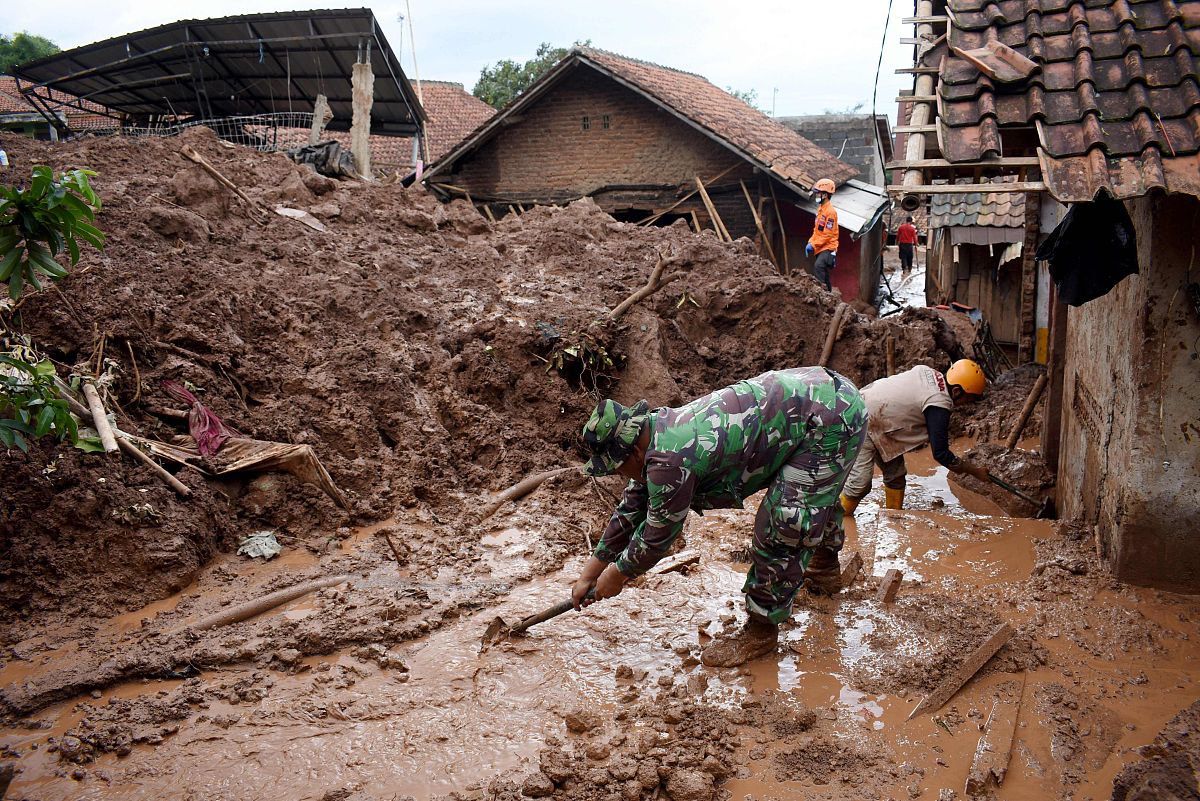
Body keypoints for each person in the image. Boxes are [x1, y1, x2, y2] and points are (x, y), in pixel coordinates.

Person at [572, 367, 867, 668]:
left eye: (617, 467)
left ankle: (763, 630)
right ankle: (824, 570)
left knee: (785, 522)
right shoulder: (655, 433)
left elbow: (657, 535)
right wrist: (590, 573)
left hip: (830, 418)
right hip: (813, 397)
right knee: (812, 494)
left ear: (633, 452)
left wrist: (617, 575)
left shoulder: (670, 461)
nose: (620, 475)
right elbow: (632, 507)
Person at [840, 360, 990, 513]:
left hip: (878, 417)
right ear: (957, 391)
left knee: (896, 477)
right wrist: (975, 471)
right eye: (969, 399)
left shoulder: (929, 373)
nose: (967, 404)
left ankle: (893, 518)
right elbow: (941, 454)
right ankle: (833, 520)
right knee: (859, 484)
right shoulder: (938, 405)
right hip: (863, 419)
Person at [804, 178, 839, 291]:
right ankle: (829, 295)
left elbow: (827, 235)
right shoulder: (821, 210)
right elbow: (817, 230)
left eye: (818, 193)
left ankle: (822, 295)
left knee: (818, 267)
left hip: (828, 247)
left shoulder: (830, 212)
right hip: (820, 247)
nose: (816, 195)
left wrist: (813, 245)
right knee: (824, 274)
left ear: (825, 195)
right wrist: (811, 242)